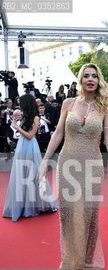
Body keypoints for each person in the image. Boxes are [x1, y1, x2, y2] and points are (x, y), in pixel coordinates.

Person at [37, 63, 108, 270]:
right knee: (68, 215)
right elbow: (59, 132)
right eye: (86, 76)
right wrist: (45, 160)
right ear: (80, 80)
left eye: (94, 76)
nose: (90, 79)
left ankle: (89, 265)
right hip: (66, 164)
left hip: (92, 166)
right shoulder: (69, 103)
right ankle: (71, 259)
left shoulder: (105, 106)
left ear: (99, 80)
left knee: (89, 216)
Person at [2, 94, 58, 222]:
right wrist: (15, 123)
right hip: (22, 147)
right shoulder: (25, 116)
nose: (19, 105)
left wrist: (16, 127)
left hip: (30, 147)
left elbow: (30, 135)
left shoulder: (36, 118)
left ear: (26, 104)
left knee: (33, 174)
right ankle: (21, 206)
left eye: (21, 103)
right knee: (21, 174)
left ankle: (32, 206)